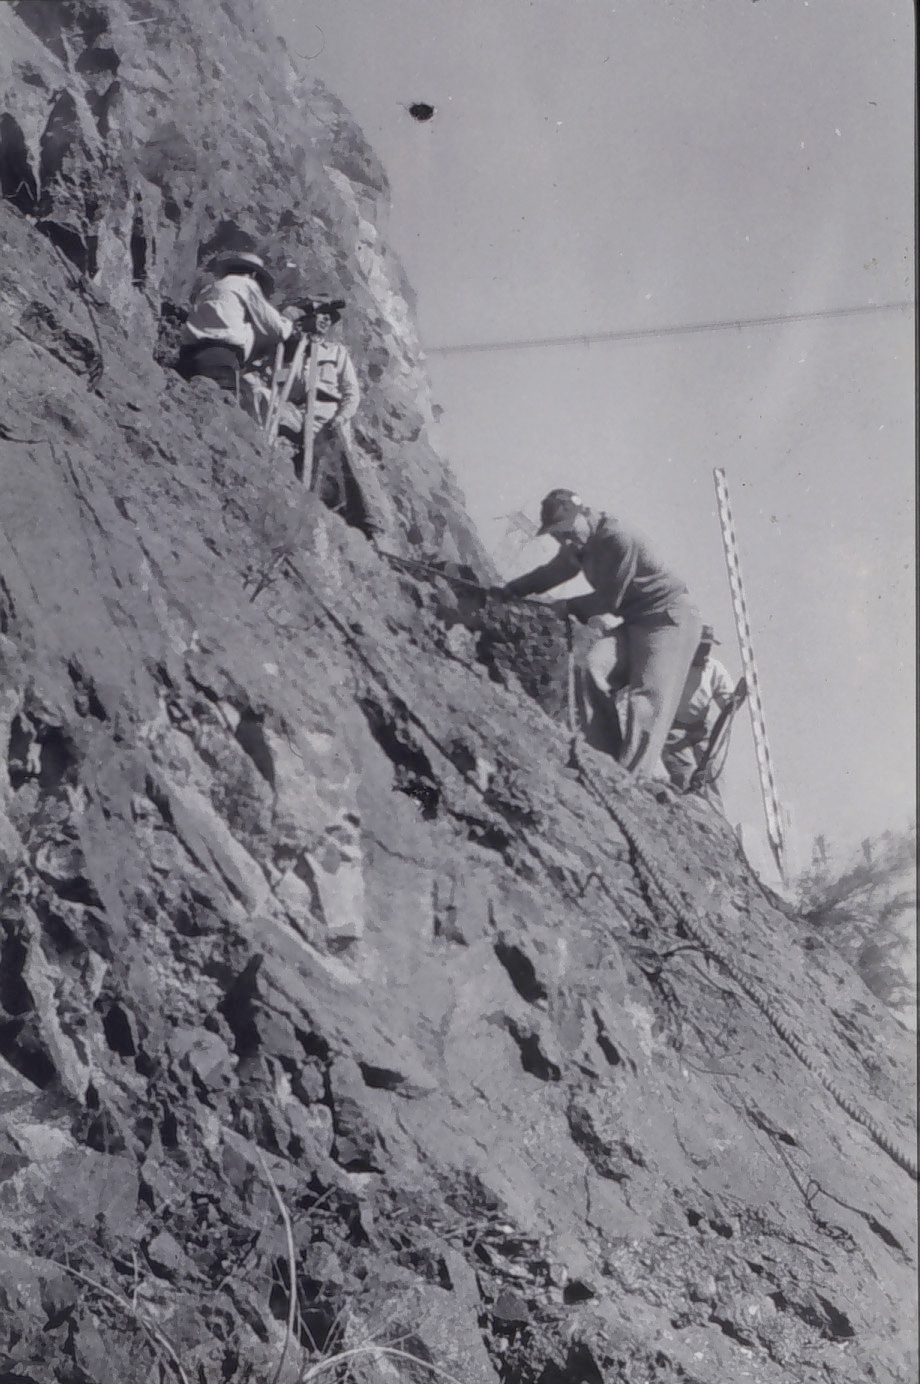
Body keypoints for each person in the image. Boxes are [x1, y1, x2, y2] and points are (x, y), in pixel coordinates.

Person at [501, 488, 702, 780]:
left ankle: (629, 779)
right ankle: (602, 758)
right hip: (635, 620)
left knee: (647, 699)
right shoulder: (579, 542)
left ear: (583, 515)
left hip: (667, 620)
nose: (564, 541)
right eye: (557, 536)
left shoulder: (616, 538)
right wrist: (512, 590)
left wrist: (565, 606)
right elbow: (552, 572)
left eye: (566, 532)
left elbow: (609, 600)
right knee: (591, 666)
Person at [177, 251, 294, 393]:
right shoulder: (245, 284)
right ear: (253, 275)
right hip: (221, 360)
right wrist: (289, 320)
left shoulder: (208, 290)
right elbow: (277, 329)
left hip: (189, 358)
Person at [662, 626, 741, 792]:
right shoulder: (676, 664)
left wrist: (736, 700)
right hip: (674, 729)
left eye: (708, 647)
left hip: (701, 729)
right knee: (684, 773)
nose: (705, 651)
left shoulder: (714, 669)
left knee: (712, 773)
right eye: (702, 646)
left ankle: (715, 814)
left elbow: (728, 703)